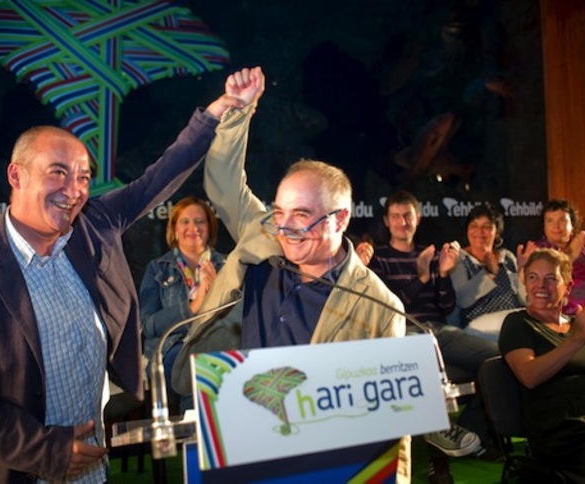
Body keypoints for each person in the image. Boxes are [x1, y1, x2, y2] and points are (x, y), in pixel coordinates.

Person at [0, 72, 252, 483]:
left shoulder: (93, 229)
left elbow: (158, 178)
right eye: (57, 173)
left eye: (83, 177)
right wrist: (45, 450)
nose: (73, 191)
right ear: (16, 176)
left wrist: (218, 111)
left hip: (93, 472)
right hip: (18, 473)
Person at [171, 68, 411, 482]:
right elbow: (224, 184)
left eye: (301, 217)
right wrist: (239, 113)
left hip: (311, 454)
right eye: (280, 214)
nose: (286, 231)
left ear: (341, 218)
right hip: (234, 422)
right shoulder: (265, 233)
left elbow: (388, 430)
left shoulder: (379, 307)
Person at [356, 190, 500, 482]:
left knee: (495, 358)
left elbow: (446, 306)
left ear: (417, 218)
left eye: (407, 215)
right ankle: (439, 428)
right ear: (387, 221)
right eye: (395, 216)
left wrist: (442, 274)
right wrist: (420, 276)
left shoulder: (430, 254)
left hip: (439, 329)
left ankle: (467, 432)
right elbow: (389, 307)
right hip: (402, 334)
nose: (401, 222)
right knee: (418, 345)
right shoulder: (378, 259)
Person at [500, 248, 585, 481]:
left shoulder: (579, 325)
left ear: (567, 286)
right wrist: (577, 339)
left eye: (550, 278)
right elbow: (529, 375)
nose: (540, 285)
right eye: (533, 277)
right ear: (525, 284)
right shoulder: (518, 323)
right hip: (563, 429)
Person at [139, 195, 224, 412]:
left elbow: (240, 319)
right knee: (197, 366)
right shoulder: (157, 269)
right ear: (175, 230)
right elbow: (148, 324)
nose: (192, 227)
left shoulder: (227, 266)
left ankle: (198, 435)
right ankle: (201, 435)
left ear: (209, 228)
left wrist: (218, 293)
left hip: (218, 347)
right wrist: (194, 306)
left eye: (199, 221)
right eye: (185, 222)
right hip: (172, 350)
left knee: (210, 364)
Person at [518, 199, 585, 316]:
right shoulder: (537, 251)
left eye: (562, 220)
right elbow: (526, 280)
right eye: (550, 221)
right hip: (567, 316)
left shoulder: (584, 244)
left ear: (572, 224)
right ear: (544, 226)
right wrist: (570, 255)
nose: (556, 226)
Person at [449, 202, 525, 339]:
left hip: (514, 319)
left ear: (497, 232)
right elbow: (462, 299)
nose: (479, 231)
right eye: (474, 226)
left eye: (487, 226)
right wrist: (488, 273)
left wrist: (524, 274)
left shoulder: (507, 257)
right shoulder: (459, 258)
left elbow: (525, 300)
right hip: (479, 326)